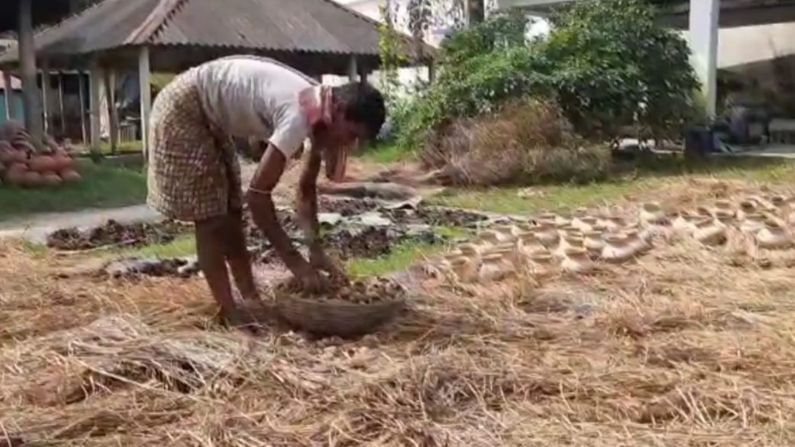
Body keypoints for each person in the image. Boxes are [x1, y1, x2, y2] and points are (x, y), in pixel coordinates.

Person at [146, 55, 386, 327]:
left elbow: (306, 190)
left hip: (211, 115)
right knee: (212, 218)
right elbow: (258, 197)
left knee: (232, 211)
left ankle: (251, 301)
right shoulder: (300, 114)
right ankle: (230, 313)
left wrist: (315, 249)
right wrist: (295, 262)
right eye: (352, 134)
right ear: (340, 110)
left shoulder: (323, 112)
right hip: (185, 107)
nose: (349, 143)